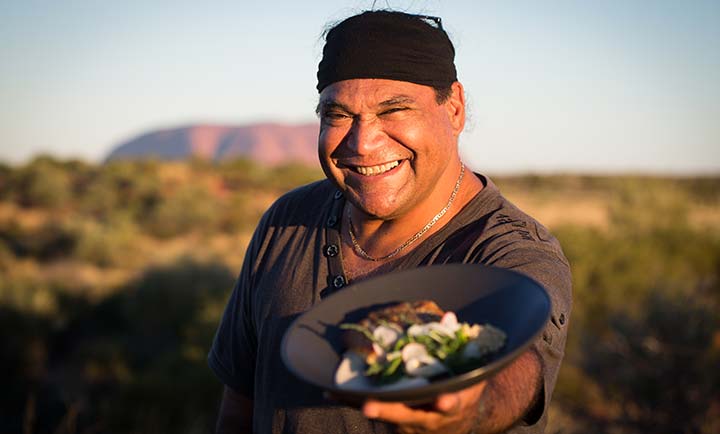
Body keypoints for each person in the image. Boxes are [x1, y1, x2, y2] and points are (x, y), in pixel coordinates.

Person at [209, 10, 571, 434]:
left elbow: (522, 373)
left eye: (394, 110)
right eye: (338, 115)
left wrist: (472, 404)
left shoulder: (510, 251)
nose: (363, 143)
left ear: (454, 108)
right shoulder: (287, 222)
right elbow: (239, 403)